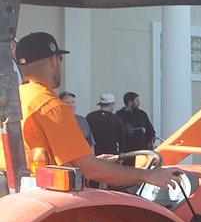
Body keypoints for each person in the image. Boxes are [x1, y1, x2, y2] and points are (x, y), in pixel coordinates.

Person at [2, 32, 182, 192]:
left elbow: (70, 160)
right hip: (44, 196)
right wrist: (147, 175)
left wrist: (94, 160)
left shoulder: (15, 99)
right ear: (53, 60)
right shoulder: (51, 106)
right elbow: (89, 169)